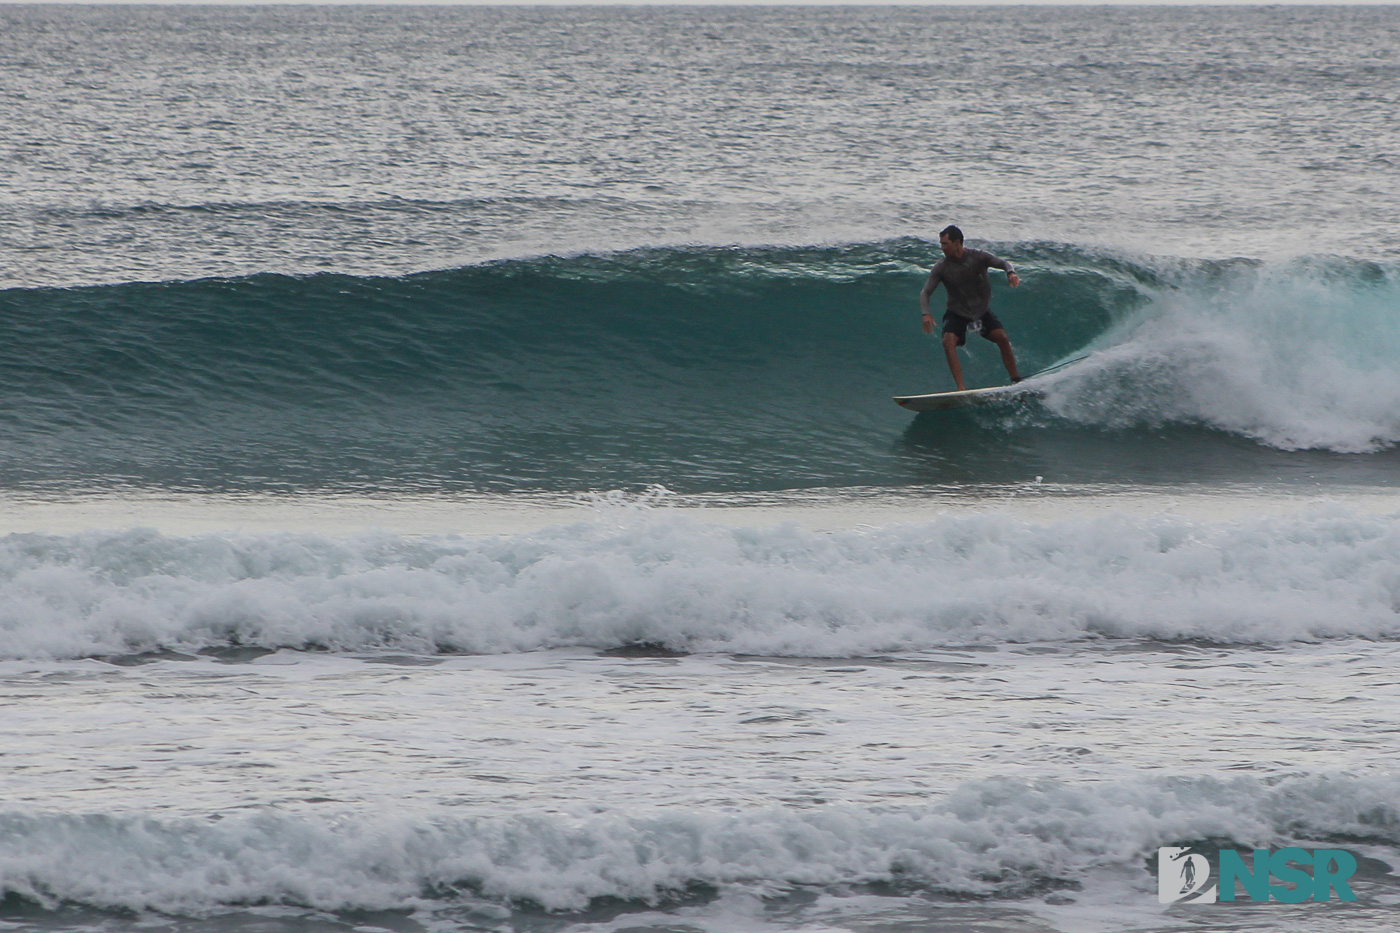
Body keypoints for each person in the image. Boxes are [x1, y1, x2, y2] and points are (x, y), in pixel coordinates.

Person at [919, 225, 1022, 391]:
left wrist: (1010, 273)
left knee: (1002, 338)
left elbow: (1003, 263)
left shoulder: (978, 257)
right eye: (941, 244)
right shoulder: (942, 267)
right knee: (948, 341)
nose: (942, 248)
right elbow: (925, 293)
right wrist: (926, 314)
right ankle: (961, 389)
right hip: (957, 313)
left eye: (945, 244)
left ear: (957, 242)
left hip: (980, 311)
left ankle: (1016, 380)